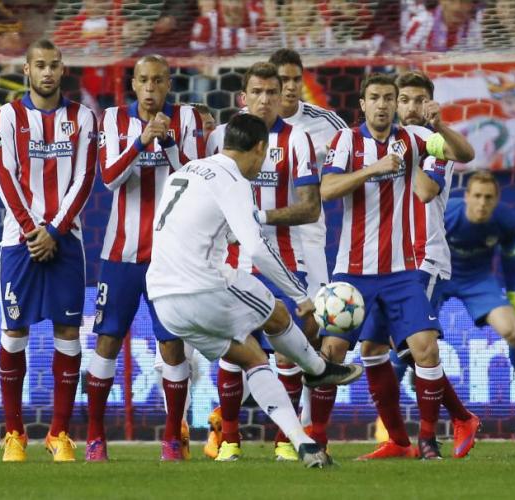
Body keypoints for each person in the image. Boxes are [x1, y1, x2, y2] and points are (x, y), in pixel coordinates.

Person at [146, 113, 363, 469]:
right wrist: (302, 296)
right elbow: (258, 249)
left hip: (164, 301)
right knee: (278, 312)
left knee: (253, 359)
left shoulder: (186, 171)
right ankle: (317, 367)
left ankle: (304, 444)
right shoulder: (233, 179)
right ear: (260, 148)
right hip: (203, 286)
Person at [314, 73, 475, 460]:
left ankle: (426, 440)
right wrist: (372, 169)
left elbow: (464, 154)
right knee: (333, 351)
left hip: (404, 271)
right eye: (377, 97)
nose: (384, 104)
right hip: (353, 271)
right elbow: (327, 189)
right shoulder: (346, 141)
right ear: (363, 104)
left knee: (425, 350)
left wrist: (440, 128)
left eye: (389, 97)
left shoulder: (416, 139)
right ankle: (316, 441)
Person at [85, 54, 205, 462]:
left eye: (158, 80)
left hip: (171, 255)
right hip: (120, 253)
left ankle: (172, 437)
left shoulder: (187, 119)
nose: (151, 88)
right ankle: (95, 437)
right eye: (143, 80)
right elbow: (109, 178)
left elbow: (194, 177)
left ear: (169, 84)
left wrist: (166, 141)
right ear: (133, 84)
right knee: (107, 341)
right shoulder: (112, 119)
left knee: (172, 345)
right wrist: (141, 141)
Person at [204, 62, 322, 462]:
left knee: (287, 352)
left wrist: (260, 217)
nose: (265, 99)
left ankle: (284, 442)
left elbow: (310, 208)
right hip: (231, 263)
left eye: (273, 91)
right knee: (233, 350)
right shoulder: (221, 137)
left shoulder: (299, 139)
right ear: (244, 96)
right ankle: (230, 440)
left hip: (283, 261)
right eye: (257, 91)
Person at [0, 39, 97, 462]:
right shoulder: (8, 116)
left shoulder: (82, 117)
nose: (48, 72)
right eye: (40, 65)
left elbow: (85, 177)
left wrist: (54, 230)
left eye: (54, 65)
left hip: (66, 240)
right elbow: (4, 174)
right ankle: (14, 433)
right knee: (15, 331)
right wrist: (32, 230)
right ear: (27, 70)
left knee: (68, 332)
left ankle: (59, 434)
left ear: (62, 69)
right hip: (20, 242)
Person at [374, 70, 478, 444]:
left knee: (420, 349)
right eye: (404, 100)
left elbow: (425, 191)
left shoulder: (434, 143)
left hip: (424, 258)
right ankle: (443, 425)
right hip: (386, 260)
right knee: (379, 348)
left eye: (419, 100)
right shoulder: (379, 142)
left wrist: (406, 154)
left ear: (430, 103)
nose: (411, 107)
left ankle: (429, 439)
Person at [438, 170, 515, 433]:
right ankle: (387, 417)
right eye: (477, 196)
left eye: (488, 197)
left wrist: (513, 293)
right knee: (411, 339)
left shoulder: (505, 220)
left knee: (514, 332)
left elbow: (509, 257)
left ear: (496, 199)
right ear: (466, 196)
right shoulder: (446, 214)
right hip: (439, 276)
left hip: (478, 281)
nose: (482, 203)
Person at [266, 48, 348, 439]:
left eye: (296, 79)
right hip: (263, 239)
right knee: (256, 331)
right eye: (282, 79)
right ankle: (229, 425)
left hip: (309, 237)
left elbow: (352, 162)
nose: (290, 87)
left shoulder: (327, 123)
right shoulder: (250, 123)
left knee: (312, 326)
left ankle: (307, 422)